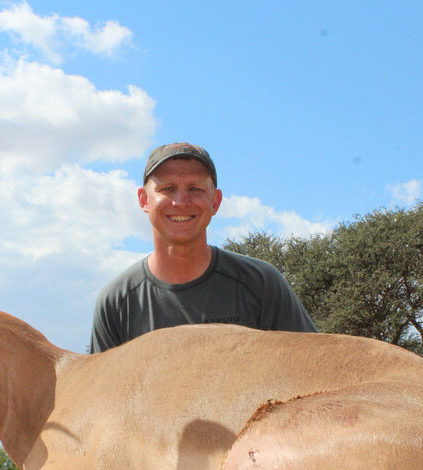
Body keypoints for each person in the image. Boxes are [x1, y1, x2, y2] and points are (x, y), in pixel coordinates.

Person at [89, 142, 317, 353]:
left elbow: (312, 362)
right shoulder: (116, 302)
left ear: (215, 202)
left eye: (195, 189)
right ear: (144, 200)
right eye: (167, 188)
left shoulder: (261, 283)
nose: (180, 201)